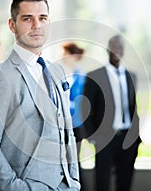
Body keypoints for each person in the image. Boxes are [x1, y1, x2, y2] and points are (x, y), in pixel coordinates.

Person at [0, 0, 80, 190]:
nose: (37, 25)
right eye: (27, 18)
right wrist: (17, 187)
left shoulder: (56, 71)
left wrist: (73, 181)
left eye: (43, 18)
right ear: (12, 25)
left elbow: (68, 133)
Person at [82, 34, 141, 191]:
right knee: (102, 182)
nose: (117, 51)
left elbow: (133, 107)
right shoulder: (95, 76)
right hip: (105, 138)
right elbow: (85, 109)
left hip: (128, 138)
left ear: (124, 51)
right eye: (113, 47)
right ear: (107, 50)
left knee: (125, 181)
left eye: (120, 47)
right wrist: (93, 137)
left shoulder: (131, 76)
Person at [61, 42, 86, 190]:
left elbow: (79, 102)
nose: (62, 57)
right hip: (63, 124)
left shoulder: (81, 77)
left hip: (76, 125)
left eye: (65, 54)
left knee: (74, 161)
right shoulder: (64, 75)